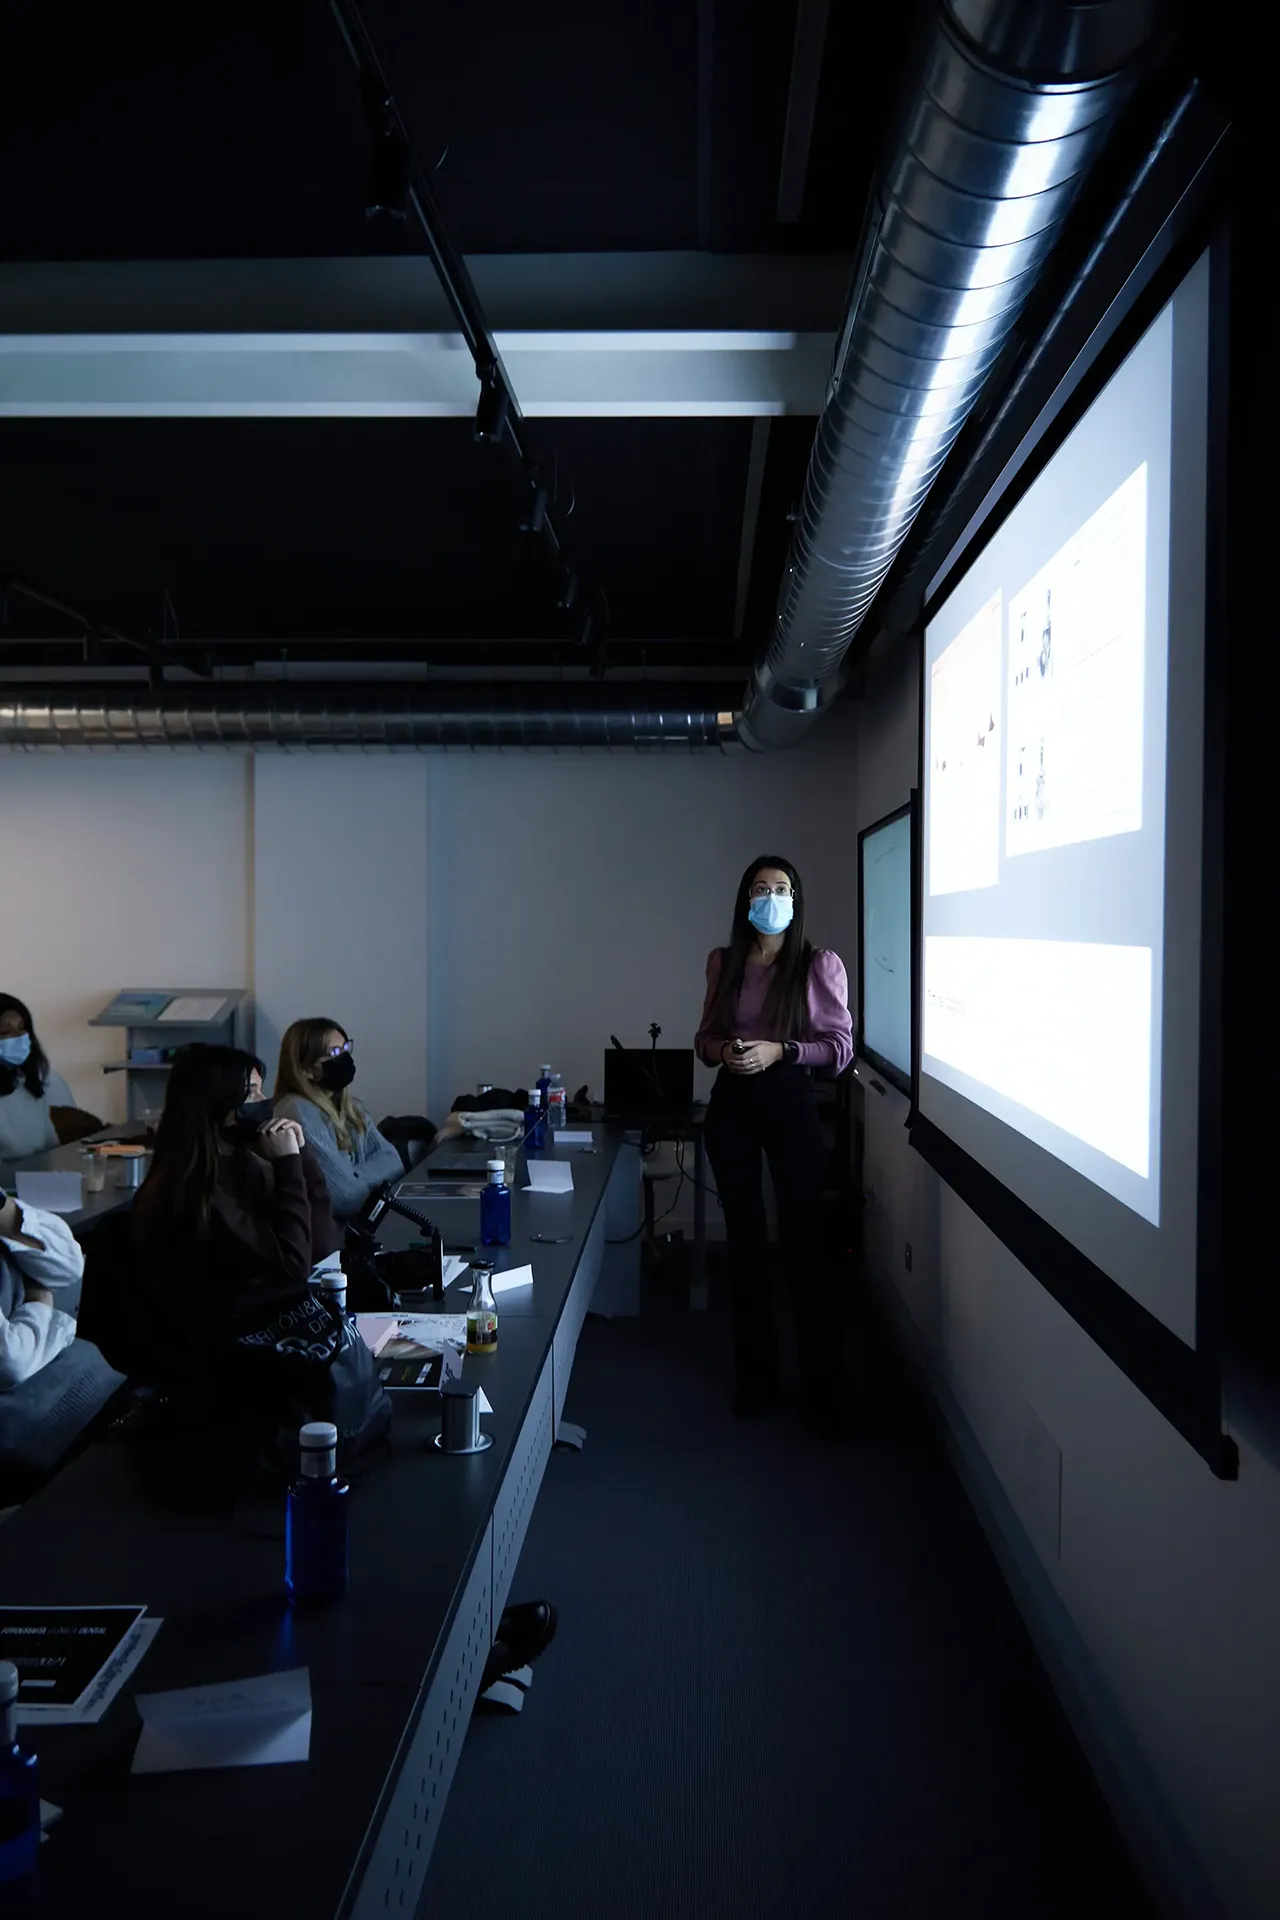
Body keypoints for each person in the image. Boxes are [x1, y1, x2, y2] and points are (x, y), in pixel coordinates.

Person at [694, 855, 854, 1431]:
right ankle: (756, 1379)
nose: (771, 898)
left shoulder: (817, 964)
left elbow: (839, 1050)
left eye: (781, 889)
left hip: (790, 1098)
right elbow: (704, 1039)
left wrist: (780, 1050)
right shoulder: (724, 961)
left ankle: (825, 1393)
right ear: (746, 900)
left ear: (796, 899)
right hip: (733, 1103)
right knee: (745, 1243)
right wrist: (728, 1051)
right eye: (760, 889)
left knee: (805, 1241)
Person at [130, 1044, 342, 1384]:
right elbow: (292, 1268)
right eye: (251, 1092)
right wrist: (288, 1165)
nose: (264, 1101)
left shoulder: (243, 1161)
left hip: (264, 1331)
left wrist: (301, 1157)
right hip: (222, 1359)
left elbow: (321, 1246)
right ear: (219, 1104)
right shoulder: (196, 1191)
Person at [1, 1192, 123, 1486]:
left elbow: (68, 1265)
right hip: (30, 1419)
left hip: (85, 1379)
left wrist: (4, 1212)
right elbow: (10, 1362)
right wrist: (38, 1303)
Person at [272, 1020, 406, 1220]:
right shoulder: (297, 1111)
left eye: (345, 1048)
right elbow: (346, 1197)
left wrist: (353, 1175)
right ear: (306, 1069)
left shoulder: (352, 1108)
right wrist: (373, 1182)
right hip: (332, 1233)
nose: (344, 1057)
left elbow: (395, 1165)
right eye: (335, 1052)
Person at [0, 994, 76, 1164]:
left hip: (42, 1173)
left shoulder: (40, 1081)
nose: (18, 1038)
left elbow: (60, 1141)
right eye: (5, 1032)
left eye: (22, 1029)